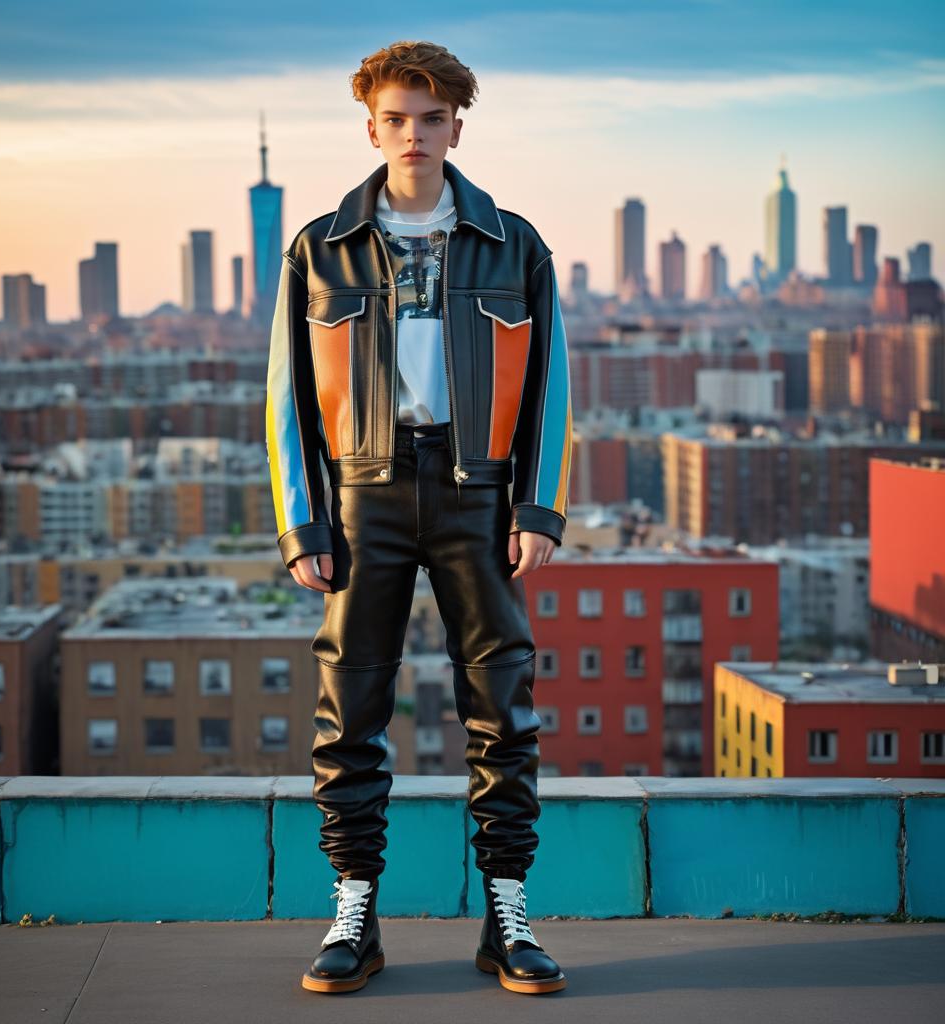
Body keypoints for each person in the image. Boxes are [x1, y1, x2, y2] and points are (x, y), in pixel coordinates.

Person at [264, 39, 572, 995]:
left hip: (478, 495)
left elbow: (552, 387)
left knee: (502, 708)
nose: (413, 134)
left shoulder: (514, 243)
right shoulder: (320, 246)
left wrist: (539, 508)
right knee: (350, 708)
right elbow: (284, 398)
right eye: (395, 119)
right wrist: (302, 523)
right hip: (366, 498)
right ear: (372, 127)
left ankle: (508, 915)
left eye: (430, 118)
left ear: (455, 128)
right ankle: (354, 910)